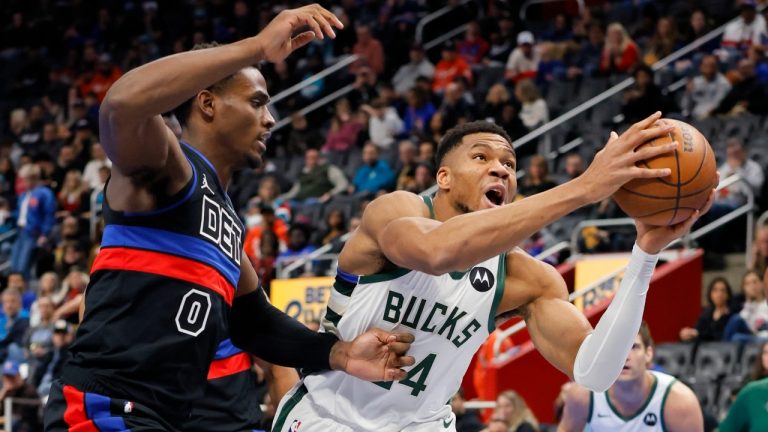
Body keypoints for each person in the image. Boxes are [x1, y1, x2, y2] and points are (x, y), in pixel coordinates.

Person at [44, 6, 415, 430]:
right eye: (257, 102)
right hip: (108, 404)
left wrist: (340, 353)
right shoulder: (168, 166)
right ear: (207, 103)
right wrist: (255, 48)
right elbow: (121, 106)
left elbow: (254, 320)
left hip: (163, 416)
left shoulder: (227, 218)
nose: (270, 119)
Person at [273, 114, 715, 431]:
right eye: (482, 158)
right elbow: (436, 251)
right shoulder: (396, 210)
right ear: (443, 177)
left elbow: (595, 373)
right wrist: (582, 188)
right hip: (327, 418)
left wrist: (644, 256)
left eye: (509, 165)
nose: (500, 168)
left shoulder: (527, 278)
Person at [558, 323, 703, 431]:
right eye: (616, 348)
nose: (624, 357)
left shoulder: (680, 402)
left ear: (649, 354)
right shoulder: (583, 394)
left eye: (633, 347)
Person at [679, 276, 734, 342]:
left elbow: (718, 335)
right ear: (710, 294)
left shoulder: (732, 313)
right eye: (715, 290)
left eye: (723, 290)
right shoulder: (706, 313)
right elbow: (697, 329)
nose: (719, 294)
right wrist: (688, 333)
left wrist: (698, 333)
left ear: (728, 294)